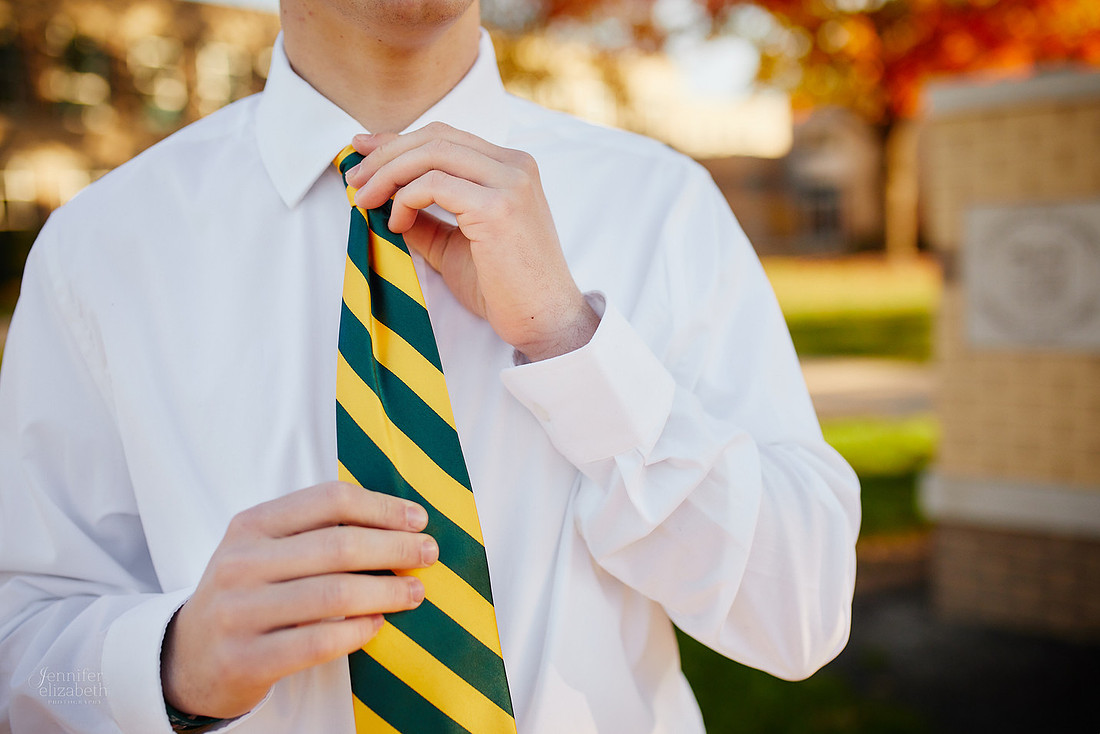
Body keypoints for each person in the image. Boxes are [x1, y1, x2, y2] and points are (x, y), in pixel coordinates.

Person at [0, 1, 860, 732]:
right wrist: (169, 663)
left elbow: (801, 614)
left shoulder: (660, 208)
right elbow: (21, 657)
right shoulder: (101, 251)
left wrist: (573, 341)